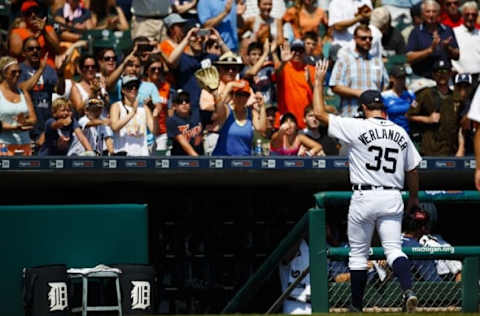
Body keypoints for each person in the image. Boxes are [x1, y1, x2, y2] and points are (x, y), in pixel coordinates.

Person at [313, 59, 421, 312]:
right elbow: (413, 168)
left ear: (363, 108)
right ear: (382, 109)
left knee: (358, 255)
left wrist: (318, 82)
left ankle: (357, 306)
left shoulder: (357, 125)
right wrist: (413, 198)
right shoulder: (400, 131)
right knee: (394, 250)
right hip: (393, 195)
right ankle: (408, 290)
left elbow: (318, 114)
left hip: (365, 195)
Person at [329, 24, 389, 118]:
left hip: (373, 116)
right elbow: (335, 86)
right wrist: (359, 93)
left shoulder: (378, 62)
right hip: (351, 114)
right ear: (355, 39)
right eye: (363, 38)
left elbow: (385, 86)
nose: (367, 41)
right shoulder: (344, 59)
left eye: (370, 38)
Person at [407, 59, 463, 156]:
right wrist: (427, 119)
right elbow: (409, 115)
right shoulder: (425, 94)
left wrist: (461, 147)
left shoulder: (457, 97)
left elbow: (461, 125)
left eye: (445, 72)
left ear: (450, 74)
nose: (442, 75)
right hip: (430, 149)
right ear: (433, 75)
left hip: (451, 150)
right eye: (438, 72)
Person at [18, 37, 58, 148]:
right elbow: (24, 88)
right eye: (31, 49)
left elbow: (60, 90)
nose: (35, 51)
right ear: (24, 53)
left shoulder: (49, 69)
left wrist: (60, 74)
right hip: (27, 126)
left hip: (46, 124)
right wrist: (40, 70)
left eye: (37, 48)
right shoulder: (18, 70)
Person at [406, 0, 459, 79]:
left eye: (434, 12)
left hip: (445, 78)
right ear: (422, 14)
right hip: (424, 79)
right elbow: (409, 58)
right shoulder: (416, 32)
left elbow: (457, 55)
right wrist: (429, 50)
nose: (431, 15)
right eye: (428, 12)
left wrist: (448, 48)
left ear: (439, 13)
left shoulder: (447, 30)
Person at [212, 79, 266, 156]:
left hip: (244, 162)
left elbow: (261, 129)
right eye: (239, 94)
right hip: (223, 161)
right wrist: (229, 86)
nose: (242, 98)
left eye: (245, 95)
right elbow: (218, 106)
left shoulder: (251, 112)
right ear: (233, 95)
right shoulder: (227, 110)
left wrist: (262, 106)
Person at [110, 75, 157, 156]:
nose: (133, 89)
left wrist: (154, 113)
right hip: (122, 154)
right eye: (130, 86)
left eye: (136, 86)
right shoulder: (116, 106)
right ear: (123, 90)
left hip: (142, 155)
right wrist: (132, 113)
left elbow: (154, 131)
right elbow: (114, 127)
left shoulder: (144, 108)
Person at [0, 56, 37, 156]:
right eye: (13, 72)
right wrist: (14, 127)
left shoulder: (23, 93)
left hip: (25, 145)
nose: (17, 75)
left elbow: (33, 119)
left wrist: (24, 122)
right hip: (3, 146)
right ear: (4, 73)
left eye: (19, 72)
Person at [276, 39, 316, 129]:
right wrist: (283, 62)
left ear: (305, 53)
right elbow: (277, 73)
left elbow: (318, 94)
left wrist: (309, 82)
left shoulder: (312, 70)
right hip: (287, 122)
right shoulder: (284, 67)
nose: (297, 53)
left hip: (306, 123)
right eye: (294, 50)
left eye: (300, 51)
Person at [167, 90, 204, 156]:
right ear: (174, 106)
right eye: (180, 102)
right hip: (180, 159)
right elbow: (183, 143)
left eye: (187, 101)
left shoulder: (198, 114)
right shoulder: (172, 121)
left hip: (200, 155)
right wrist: (198, 159)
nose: (184, 103)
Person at [452, 2, 480, 87]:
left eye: (474, 15)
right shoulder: (453, 32)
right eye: (467, 14)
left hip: (478, 80)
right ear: (462, 15)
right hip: (459, 80)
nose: (470, 18)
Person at [381, 65, 415, 134]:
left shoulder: (411, 94)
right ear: (391, 78)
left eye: (403, 78)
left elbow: (415, 110)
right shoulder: (384, 96)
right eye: (398, 78)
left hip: (409, 133)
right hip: (391, 133)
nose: (401, 81)